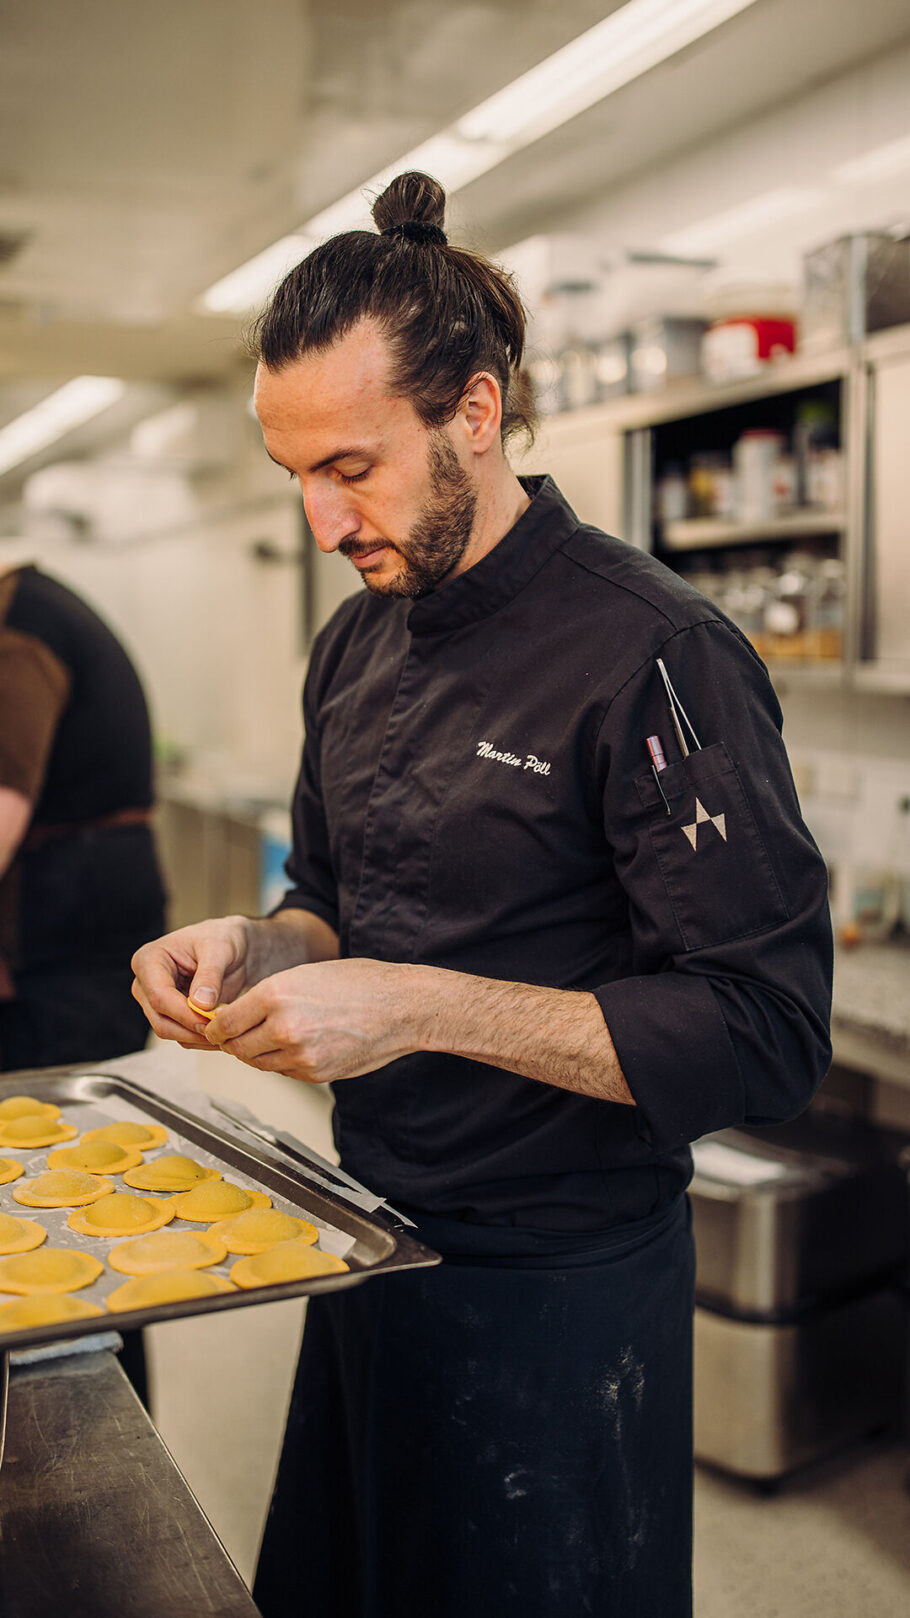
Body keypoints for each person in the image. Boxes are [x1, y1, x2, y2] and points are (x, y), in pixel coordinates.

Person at [131, 172, 832, 1617]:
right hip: (365, 1244)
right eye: (297, 479)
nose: (326, 522)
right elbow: (328, 901)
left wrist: (414, 1009)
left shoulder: (655, 655)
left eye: (353, 466)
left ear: (475, 412)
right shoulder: (355, 646)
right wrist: (249, 943)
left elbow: (762, 1026)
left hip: (556, 1294)